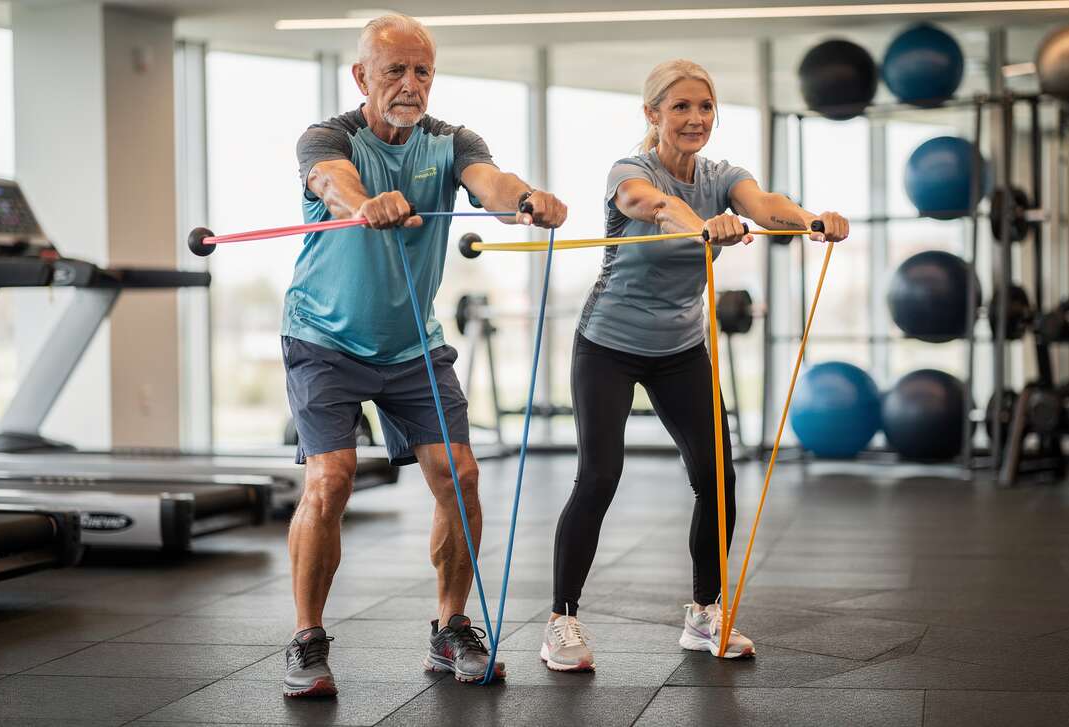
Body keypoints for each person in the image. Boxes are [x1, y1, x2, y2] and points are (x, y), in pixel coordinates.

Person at [281, 14, 567, 696]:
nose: (410, 85)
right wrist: (363, 201)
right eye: (394, 72)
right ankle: (306, 638)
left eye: (422, 72)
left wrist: (526, 200)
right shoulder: (327, 136)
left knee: (459, 475)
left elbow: (490, 183)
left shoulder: (451, 141)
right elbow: (330, 180)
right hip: (323, 337)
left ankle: (450, 628)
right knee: (332, 480)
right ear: (361, 77)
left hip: (412, 343)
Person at [540, 59, 849, 672]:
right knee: (599, 477)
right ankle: (562, 621)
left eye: (704, 108)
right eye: (680, 107)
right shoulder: (630, 171)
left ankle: (704, 611)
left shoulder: (722, 176)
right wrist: (700, 225)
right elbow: (650, 205)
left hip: (681, 350)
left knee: (717, 479)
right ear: (652, 115)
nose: (694, 119)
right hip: (607, 343)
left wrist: (812, 220)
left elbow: (764, 204)